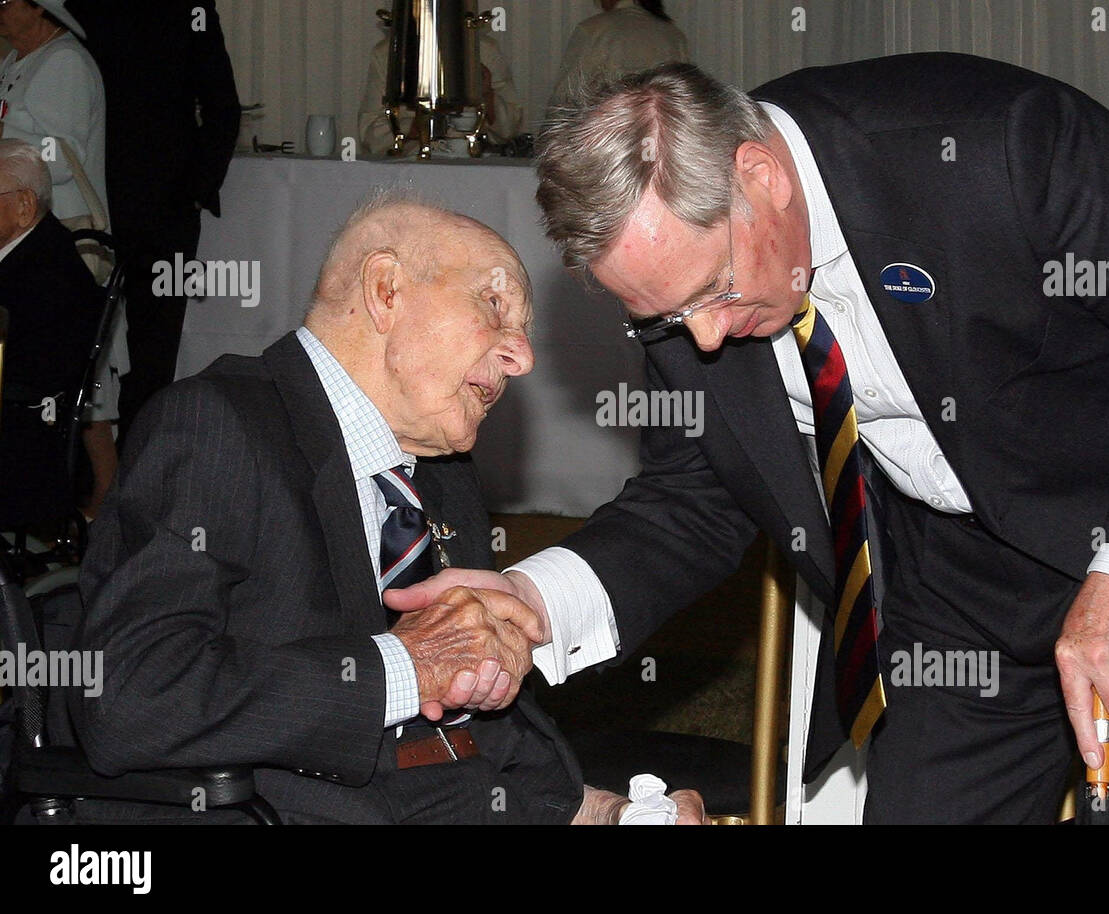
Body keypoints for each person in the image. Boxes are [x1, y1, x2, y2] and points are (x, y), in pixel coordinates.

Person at [389, 58, 1109, 824]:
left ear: (761, 178)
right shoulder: (686, 296)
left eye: (710, 294)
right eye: (664, 318)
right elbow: (692, 498)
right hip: (957, 588)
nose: (701, 340)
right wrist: (530, 599)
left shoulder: (1001, 147)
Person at [63, 189, 703, 825]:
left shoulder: (441, 478)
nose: (522, 356)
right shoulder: (216, 425)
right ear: (385, 290)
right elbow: (127, 697)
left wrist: (603, 814)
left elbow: (467, 732)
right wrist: (404, 665)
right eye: (495, 305)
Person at [66, 0, 241, 439]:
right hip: (87, 204)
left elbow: (223, 106)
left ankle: (136, 468)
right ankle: (86, 470)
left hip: (161, 210)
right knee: (82, 340)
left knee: (151, 353)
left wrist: (194, 191)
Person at [0, 0, 122, 518]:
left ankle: (104, 500)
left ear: (41, 11)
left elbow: (62, 160)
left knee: (77, 371)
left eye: (8, 1)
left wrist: (13, 153)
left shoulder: (66, 63)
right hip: (22, 229)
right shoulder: (16, 60)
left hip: (62, 236)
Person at [0, 139, 99, 532]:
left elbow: (29, 373)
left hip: (24, 445)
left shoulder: (46, 273)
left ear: (25, 206)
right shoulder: (29, 253)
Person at [358, 32, 523, 157]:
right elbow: (369, 134)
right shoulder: (388, 52)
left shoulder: (484, 49)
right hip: (413, 165)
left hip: (474, 163)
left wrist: (487, 94)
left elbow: (509, 129)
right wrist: (414, 128)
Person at [549, 0, 688, 108]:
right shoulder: (674, 35)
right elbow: (684, 96)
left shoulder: (592, 30)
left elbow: (565, 98)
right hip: (660, 134)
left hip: (606, 135)